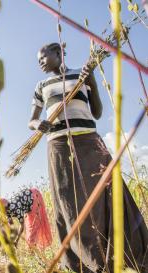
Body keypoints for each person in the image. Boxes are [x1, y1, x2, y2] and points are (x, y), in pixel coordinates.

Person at [29, 42, 148, 272]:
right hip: (58, 147)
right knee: (67, 203)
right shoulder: (41, 85)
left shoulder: (80, 75)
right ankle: (82, 264)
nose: (40, 63)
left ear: (58, 53)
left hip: (88, 143)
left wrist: (90, 79)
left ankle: (126, 256)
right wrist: (38, 124)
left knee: (105, 195)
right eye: (38, 60)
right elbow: (31, 119)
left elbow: (97, 112)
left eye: (43, 57)